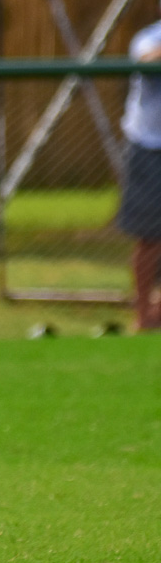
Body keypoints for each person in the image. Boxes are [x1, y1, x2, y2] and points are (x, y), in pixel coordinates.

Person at [120, 21, 161, 331]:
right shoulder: (148, 36)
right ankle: (143, 317)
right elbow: (145, 60)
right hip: (150, 146)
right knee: (149, 237)